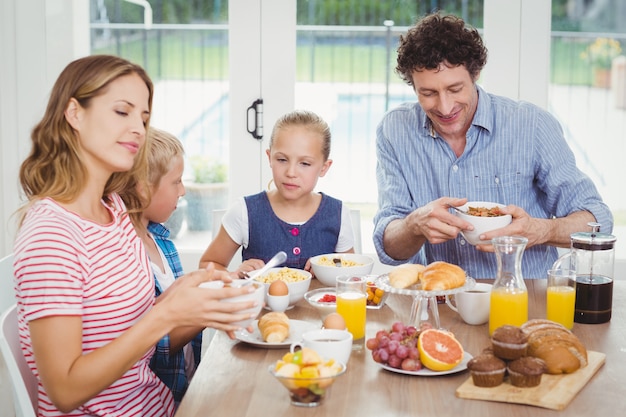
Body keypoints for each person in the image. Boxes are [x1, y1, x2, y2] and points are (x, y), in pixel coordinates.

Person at [12, 55, 259, 417]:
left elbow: (133, 317)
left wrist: (195, 290)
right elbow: (64, 390)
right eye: (122, 112)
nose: (139, 129)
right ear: (74, 113)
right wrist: (166, 316)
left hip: (159, 405)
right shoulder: (52, 235)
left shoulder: (113, 209)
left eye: (143, 118)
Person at [373, 13, 613, 279]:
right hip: (439, 302)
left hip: (525, 299)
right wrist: (413, 225)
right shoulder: (394, 130)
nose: (444, 107)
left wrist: (540, 230)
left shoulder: (530, 125)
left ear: (475, 74)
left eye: (455, 89)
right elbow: (389, 248)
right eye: (428, 93)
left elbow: (598, 223)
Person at [199, 109, 355, 277]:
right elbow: (207, 265)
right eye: (282, 160)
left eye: (305, 163)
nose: (291, 172)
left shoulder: (337, 214)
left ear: (324, 167)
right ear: (270, 158)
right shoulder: (244, 211)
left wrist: (330, 268)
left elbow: (351, 275)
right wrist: (235, 274)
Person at [119, 127, 202, 408]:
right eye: (176, 182)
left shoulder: (162, 242)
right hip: (161, 400)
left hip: (188, 385)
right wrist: (208, 313)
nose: (183, 190)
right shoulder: (125, 256)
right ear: (143, 187)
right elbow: (155, 349)